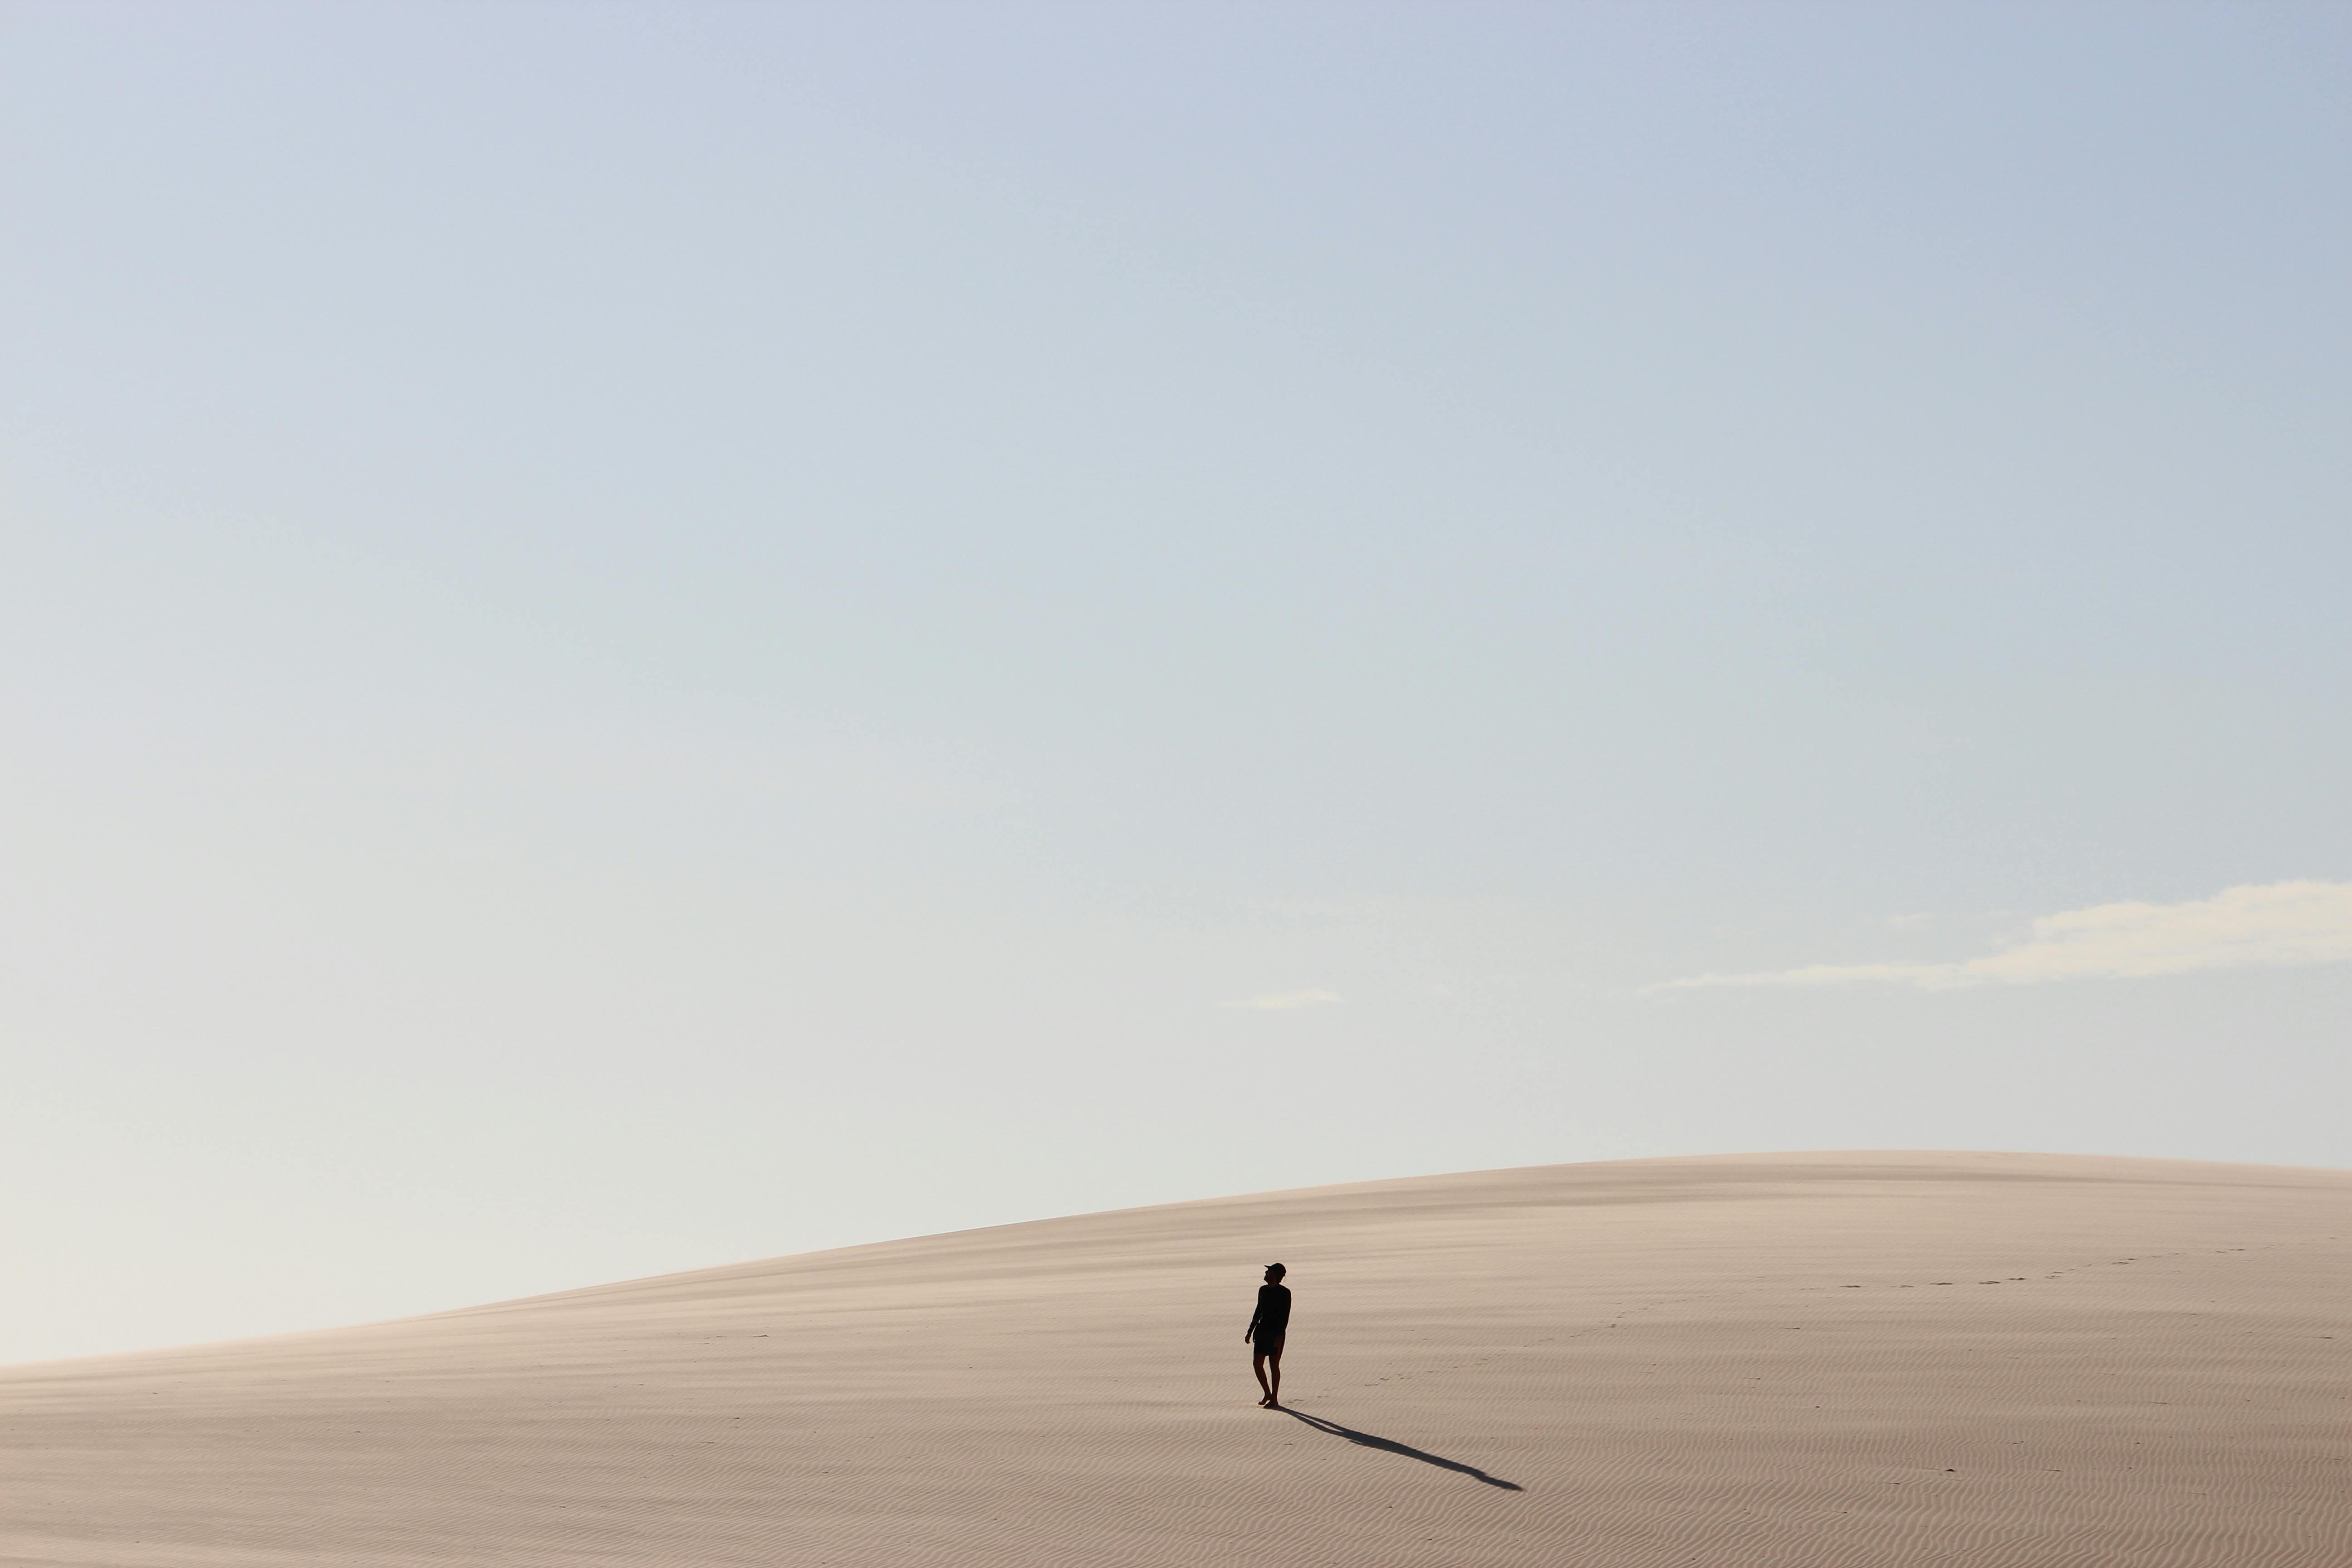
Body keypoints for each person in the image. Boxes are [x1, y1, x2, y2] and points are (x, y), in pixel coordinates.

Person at [1245, 1262, 1292, 1407]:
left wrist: (1279, 1336)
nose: (1266, 1274)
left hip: (1276, 1334)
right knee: (1257, 1364)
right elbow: (1258, 1311)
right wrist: (1250, 1331)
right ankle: (1267, 1393)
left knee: (1274, 1365)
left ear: (1275, 1275)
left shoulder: (1285, 1293)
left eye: (1268, 1272)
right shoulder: (1263, 1290)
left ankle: (1275, 1399)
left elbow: (1285, 1316)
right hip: (1262, 1332)